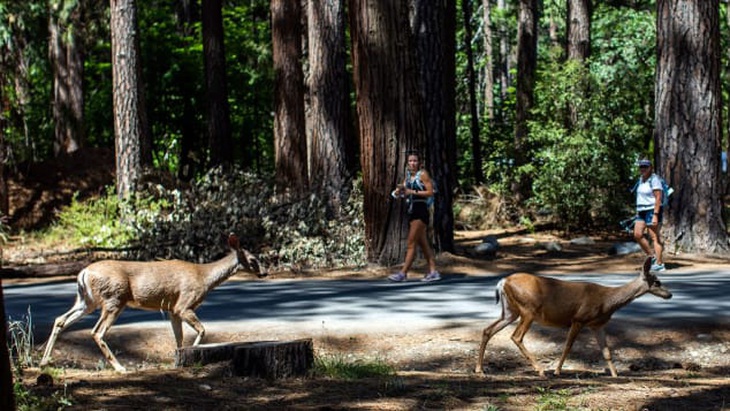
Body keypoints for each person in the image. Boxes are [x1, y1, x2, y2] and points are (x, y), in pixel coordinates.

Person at [388, 151, 441, 282]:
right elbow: (403, 190)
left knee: (411, 243)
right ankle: (433, 271)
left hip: (421, 210)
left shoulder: (423, 174)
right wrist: (398, 192)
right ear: (407, 163)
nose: (412, 163)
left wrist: (411, 191)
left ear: (419, 162)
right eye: (410, 161)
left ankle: (403, 273)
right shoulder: (408, 176)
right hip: (412, 210)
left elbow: (430, 192)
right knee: (423, 244)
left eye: (415, 161)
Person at [633, 159, 665, 271]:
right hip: (641, 210)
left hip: (652, 210)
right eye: (641, 167)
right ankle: (651, 256)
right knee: (637, 234)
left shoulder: (654, 180)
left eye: (645, 167)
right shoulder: (641, 179)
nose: (643, 169)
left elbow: (658, 198)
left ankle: (660, 263)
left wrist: (655, 214)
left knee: (654, 237)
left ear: (650, 168)